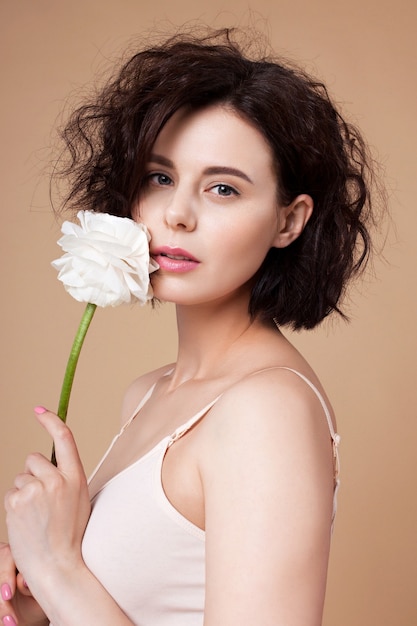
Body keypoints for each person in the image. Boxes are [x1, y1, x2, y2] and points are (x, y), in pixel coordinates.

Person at [1, 28, 378, 626]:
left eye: (223, 188)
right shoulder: (149, 392)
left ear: (289, 220)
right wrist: (34, 594)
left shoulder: (266, 411)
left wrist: (56, 567)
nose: (177, 213)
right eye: (159, 177)